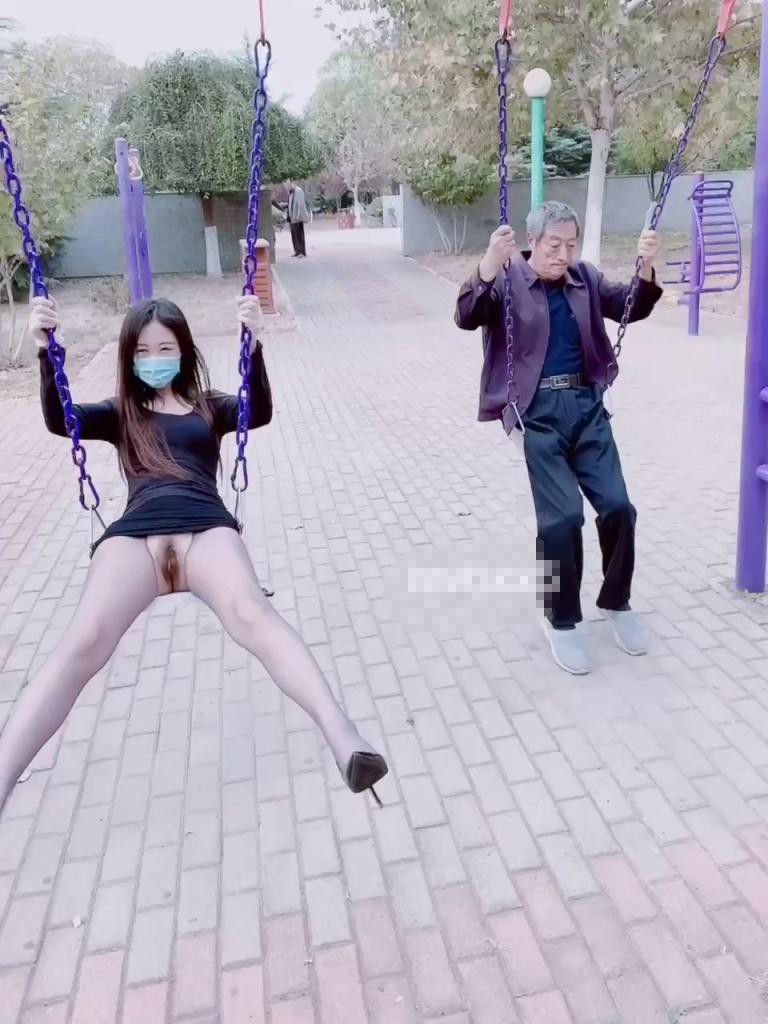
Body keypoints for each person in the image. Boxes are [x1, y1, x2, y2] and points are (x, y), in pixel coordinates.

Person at [0, 294, 387, 816]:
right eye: (142, 351)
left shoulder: (210, 407)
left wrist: (254, 343)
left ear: (183, 350)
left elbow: (257, 412)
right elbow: (61, 420)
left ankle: (346, 740)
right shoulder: (119, 413)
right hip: (136, 535)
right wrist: (47, 352)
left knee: (252, 615)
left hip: (206, 528)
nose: (153, 359)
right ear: (129, 358)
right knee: (83, 640)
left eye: (165, 348)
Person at [455, 201, 662, 676]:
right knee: (562, 519)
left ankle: (616, 601)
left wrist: (648, 264)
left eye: (571, 244)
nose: (564, 254)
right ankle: (560, 618)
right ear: (532, 241)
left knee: (619, 507)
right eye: (554, 245)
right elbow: (466, 314)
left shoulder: (583, 278)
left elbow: (630, 305)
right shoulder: (508, 280)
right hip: (536, 414)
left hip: (587, 408)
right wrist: (490, 261)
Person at [286, 180, 309, 258]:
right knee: (294, 235)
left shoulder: (298, 191)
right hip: (292, 217)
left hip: (297, 217)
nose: (287, 187)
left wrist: (298, 216)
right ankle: (297, 251)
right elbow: (290, 204)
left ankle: (302, 251)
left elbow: (300, 205)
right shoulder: (290, 193)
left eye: (288, 185)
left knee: (299, 234)